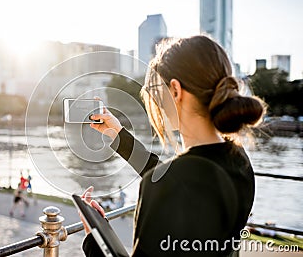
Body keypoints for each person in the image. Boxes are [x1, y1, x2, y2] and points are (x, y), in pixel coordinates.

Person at [81, 36, 264, 256]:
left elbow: (173, 184)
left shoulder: (169, 183)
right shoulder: (239, 161)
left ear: (175, 90)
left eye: (157, 91)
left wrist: (96, 238)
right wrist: (118, 135)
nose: (155, 102)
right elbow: (182, 187)